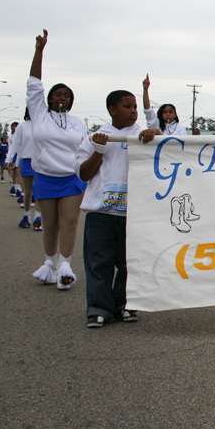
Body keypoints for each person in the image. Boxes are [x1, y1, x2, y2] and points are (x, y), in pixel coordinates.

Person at [76, 88, 160, 328]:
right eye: (127, 106)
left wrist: (157, 133)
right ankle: (99, 308)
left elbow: (168, 153)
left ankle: (124, 305)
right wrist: (98, 152)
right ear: (112, 110)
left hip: (133, 214)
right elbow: (84, 174)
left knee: (129, 263)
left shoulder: (144, 135)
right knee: (98, 262)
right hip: (100, 213)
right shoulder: (97, 137)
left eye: (135, 107)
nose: (134, 111)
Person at [27, 30, 88, 290]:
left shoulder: (76, 123)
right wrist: (39, 51)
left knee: (70, 222)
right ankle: (49, 266)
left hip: (71, 179)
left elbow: (85, 150)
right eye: (58, 94)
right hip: (44, 177)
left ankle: (66, 266)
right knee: (49, 223)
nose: (62, 98)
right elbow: (33, 84)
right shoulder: (39, 114)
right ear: (50, 97)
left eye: (67, 96)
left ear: (71, 101)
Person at [10, 109, 42, 230]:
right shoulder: (22, 126)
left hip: (40, 161)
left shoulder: (43, 124)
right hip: (26, 161)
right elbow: (17, 145)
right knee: (28, 191)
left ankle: (38, 218)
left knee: (38, 190)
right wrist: (14, 161)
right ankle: (26, 217)